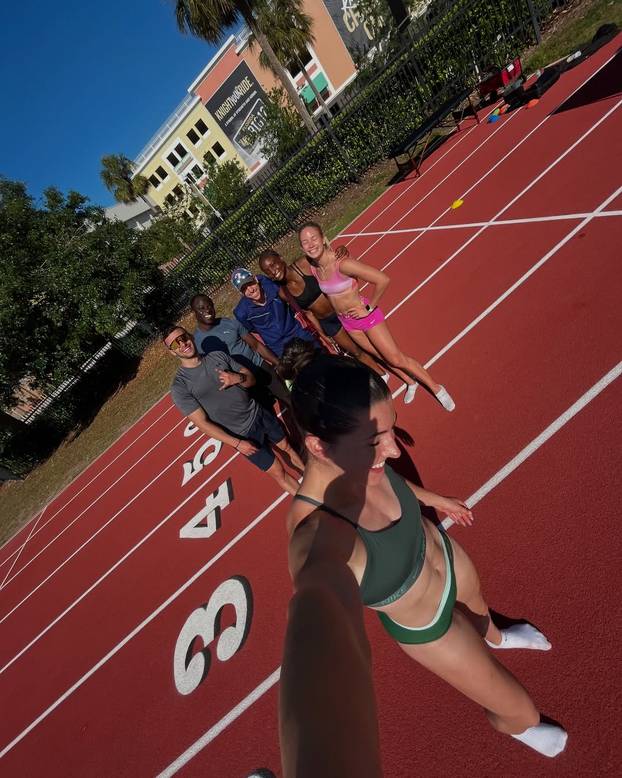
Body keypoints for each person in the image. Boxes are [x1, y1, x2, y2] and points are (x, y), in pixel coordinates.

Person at [279, 339, 567, 762]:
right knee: (520, 711)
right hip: (428, 624)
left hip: (446, 556)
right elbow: (315, 640)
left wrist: (433, 499)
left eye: (392, 430)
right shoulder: (316, 529)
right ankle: (521, 728)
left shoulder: (358, 457)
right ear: (319, 446)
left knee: (480, 610)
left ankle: (498, 636)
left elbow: (394, 483)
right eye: (376, 441)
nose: (394, 451)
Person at [298, 221, 455, 409]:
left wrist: (369, 307)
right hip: (348, 323)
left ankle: (437, 388)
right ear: (301, 247)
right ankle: (410, 382)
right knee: (380, 356)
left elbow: (382, 279)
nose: (310, 244)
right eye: (305, 242)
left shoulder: (343, 264)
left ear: (323, 239)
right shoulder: (315, 268)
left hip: (366, 318)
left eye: (314, 238)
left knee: (395, 358)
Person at [164, 325, 303, 495]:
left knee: (289, 448)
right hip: (242, 435)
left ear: (190, 336)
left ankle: (319, 488)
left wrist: (237, 378)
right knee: (278, 472)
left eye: (183, 337)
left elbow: (250, 379)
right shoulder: (180, 386)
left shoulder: (217, 356)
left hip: (258, 413)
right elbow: (202, 424)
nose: (182, 344)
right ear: (172, 352)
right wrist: (237, 444)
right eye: (175, 344)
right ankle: (314, 506)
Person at [258, 249, 388, 381]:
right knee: (356, 352)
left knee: (372, 344)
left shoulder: (304, 264)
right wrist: (324, 336)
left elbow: (329, 264)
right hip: (329, 323)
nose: (273, 271)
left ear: (280, 257)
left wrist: (341, 250)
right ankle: (382, 375)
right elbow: (308, 313)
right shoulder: (283, 293)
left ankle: (395, 365)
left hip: (343, 312)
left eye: (273, 264)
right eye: (267, 270)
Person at [190, 294, 290, 407]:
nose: (207, 310)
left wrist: (278, 363)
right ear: (194, 312)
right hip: (242, 382)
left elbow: (256, 345)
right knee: (267, 417)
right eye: (201, 308)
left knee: (290, 401)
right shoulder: (198, 343)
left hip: (260, 367)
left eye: (209, 306)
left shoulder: (229, 322)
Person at [231, 267, 318, 359]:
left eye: (250, 283)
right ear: (241, 293)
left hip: (295, 330)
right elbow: (252, 328)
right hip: (277, 345)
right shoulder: (241, 312)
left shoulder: (270, 285)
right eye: (244, 289)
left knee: (318, 354)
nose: (251, 290)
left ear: (255, 279)